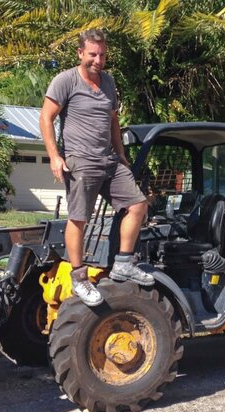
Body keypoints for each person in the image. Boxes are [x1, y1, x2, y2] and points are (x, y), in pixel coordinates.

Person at [40, 29, 153, 306]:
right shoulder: (65, 81)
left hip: (108, 160)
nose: (97, 60)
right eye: (92, 54)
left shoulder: (108, 82)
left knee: (138, 205)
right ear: (80, 53)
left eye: (102, 55)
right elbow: (46, 118)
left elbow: (113, 120)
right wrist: (55, 156)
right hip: (80, 160)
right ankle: (79, 278)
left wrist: (121, 154)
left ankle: (124, 263)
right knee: (79, 218)